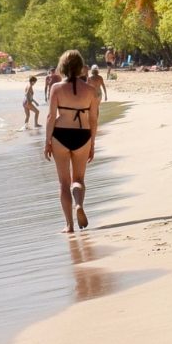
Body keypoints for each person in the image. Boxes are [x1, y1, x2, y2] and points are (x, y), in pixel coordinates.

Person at [44, 49, 102, 234]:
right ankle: (79, 204)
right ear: (80, 68)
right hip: (82, 135)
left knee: (63, 182)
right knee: (78, 180)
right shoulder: (91, 91)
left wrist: (47, 141)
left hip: (60, 135)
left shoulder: (56, 88)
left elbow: (51, 116)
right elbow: (93, 119)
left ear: (62, 67)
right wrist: (92, 143)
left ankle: (69, 225)